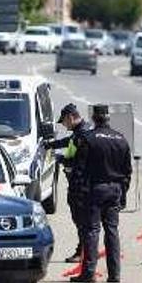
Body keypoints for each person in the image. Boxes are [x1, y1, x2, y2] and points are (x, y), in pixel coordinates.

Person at [70, 104, 132, 283]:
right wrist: (122, 194)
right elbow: (127, 172)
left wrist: (78, 194)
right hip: (115, 189)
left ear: (94, 119)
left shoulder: (89, 139)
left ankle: (88, 273)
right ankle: (114, 274)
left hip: (95, 190)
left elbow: (79, 170)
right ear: (108, 118)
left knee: (92, 230)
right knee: (112, 231)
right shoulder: (121, 139)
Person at [43, 104, 93, 263]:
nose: (64, 125)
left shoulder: (83, 134)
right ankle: (85, 250)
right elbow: (69, 142)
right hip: (77, 182)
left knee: (81, 220)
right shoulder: (79, 132)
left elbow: (79, 160)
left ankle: (83, 252)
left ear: (70, 117)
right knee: (81, 220)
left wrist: (61, 159)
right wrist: (51, 145)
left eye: (64, 122)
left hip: (80, 184)